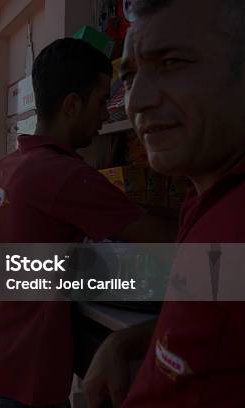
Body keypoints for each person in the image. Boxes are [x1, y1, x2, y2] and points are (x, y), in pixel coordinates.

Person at [0, 38, 175, 408]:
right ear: (71, 105)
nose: (104, 116)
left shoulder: (10, 164)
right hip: (25, 385)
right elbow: (166, 240)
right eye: (100, 103)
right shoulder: (65, 176)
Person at [83, 0, 245, 406]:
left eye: (172, 62)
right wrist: (128, 340)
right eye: (131, 76)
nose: (135, 102)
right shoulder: (205, 201)